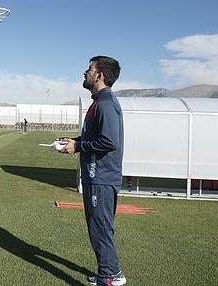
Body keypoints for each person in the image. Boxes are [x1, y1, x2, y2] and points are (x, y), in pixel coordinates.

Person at [60, 56, 126, 286]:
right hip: (96, 177)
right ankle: (110, 272)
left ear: (99, 75)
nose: (84, 72)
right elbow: (95, 137)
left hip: (102, 178)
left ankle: (109, 277)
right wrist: (75, 141)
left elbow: (109, 141)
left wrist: (78, 146)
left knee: (100, 229)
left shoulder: (106, 103)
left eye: (89, 69)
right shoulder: (99, 102)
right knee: (99, 227)